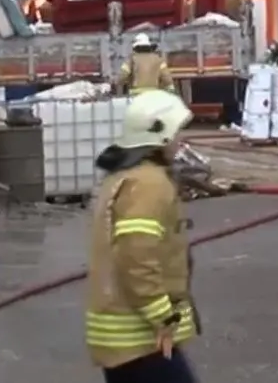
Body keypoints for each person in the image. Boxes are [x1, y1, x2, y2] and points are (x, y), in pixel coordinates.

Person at [85, 89, 200, 383]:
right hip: (142, 335)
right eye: (176, 133)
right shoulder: (149, 183)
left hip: (124, 335)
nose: (180, 140)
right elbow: (136, 256)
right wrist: (163, 316)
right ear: (159, 136)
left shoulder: (124, 176)